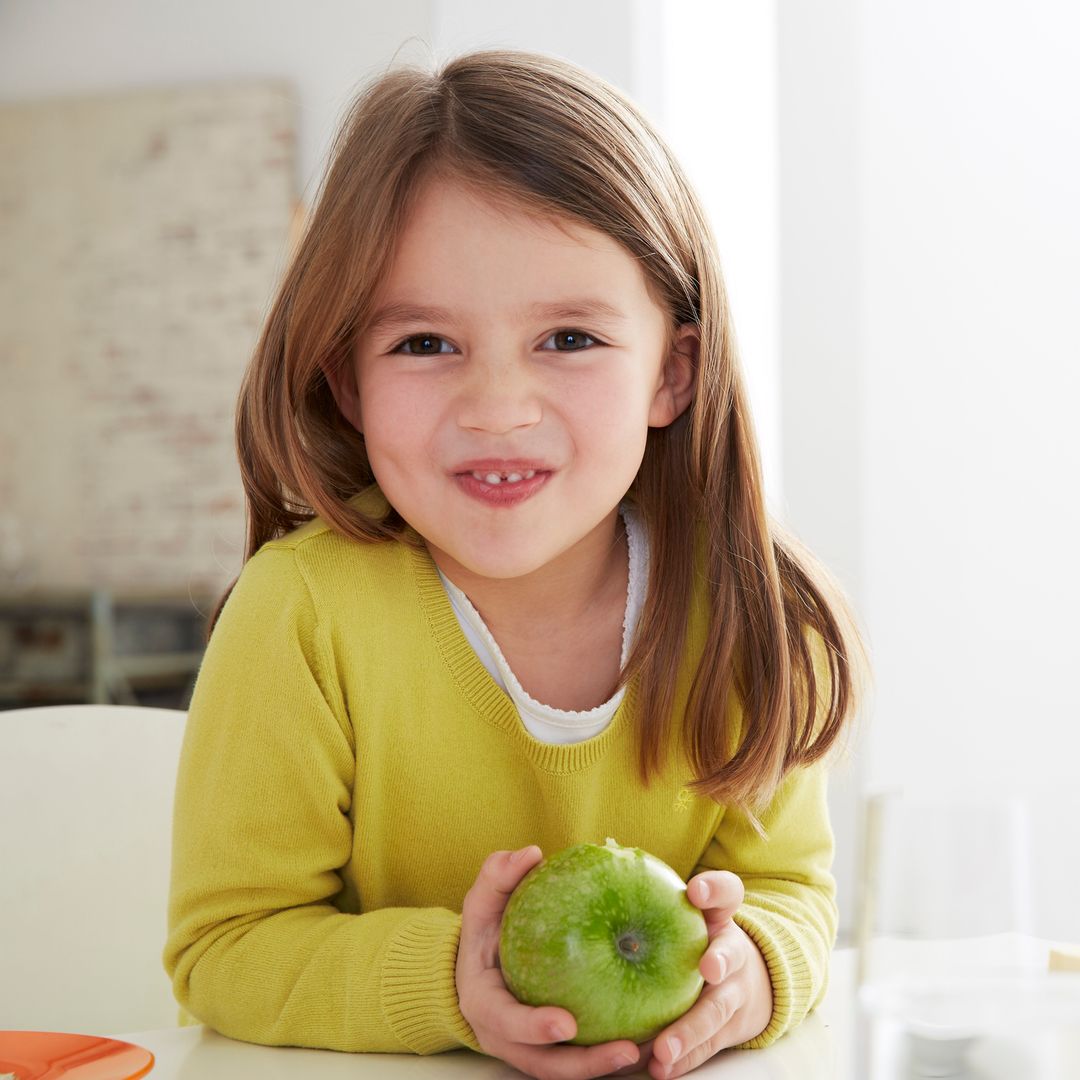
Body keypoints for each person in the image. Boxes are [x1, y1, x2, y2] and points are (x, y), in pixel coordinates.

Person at [164, 48, 870, 1080]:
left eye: (570, 337)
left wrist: (747, 970)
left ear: (673, 372)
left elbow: (793, 897)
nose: (497, 407)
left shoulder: (750, 618)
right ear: (349, 383)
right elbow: (225, 949)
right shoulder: (302, 613)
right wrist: (457, 979)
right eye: (423, 346)